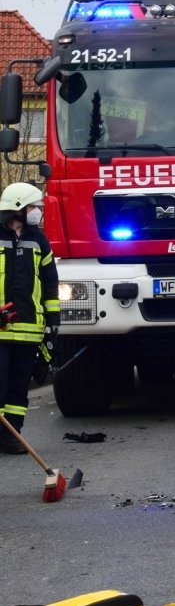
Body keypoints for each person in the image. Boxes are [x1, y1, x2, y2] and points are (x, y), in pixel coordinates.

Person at [0, 183, 58, 454]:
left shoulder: (39, 240)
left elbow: (50, 283)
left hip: (29, 329)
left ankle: (13, 437)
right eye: (34, 207)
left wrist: (53, 320)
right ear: (19, 207)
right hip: (0, 328)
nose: (37, 212)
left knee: (18, 388)